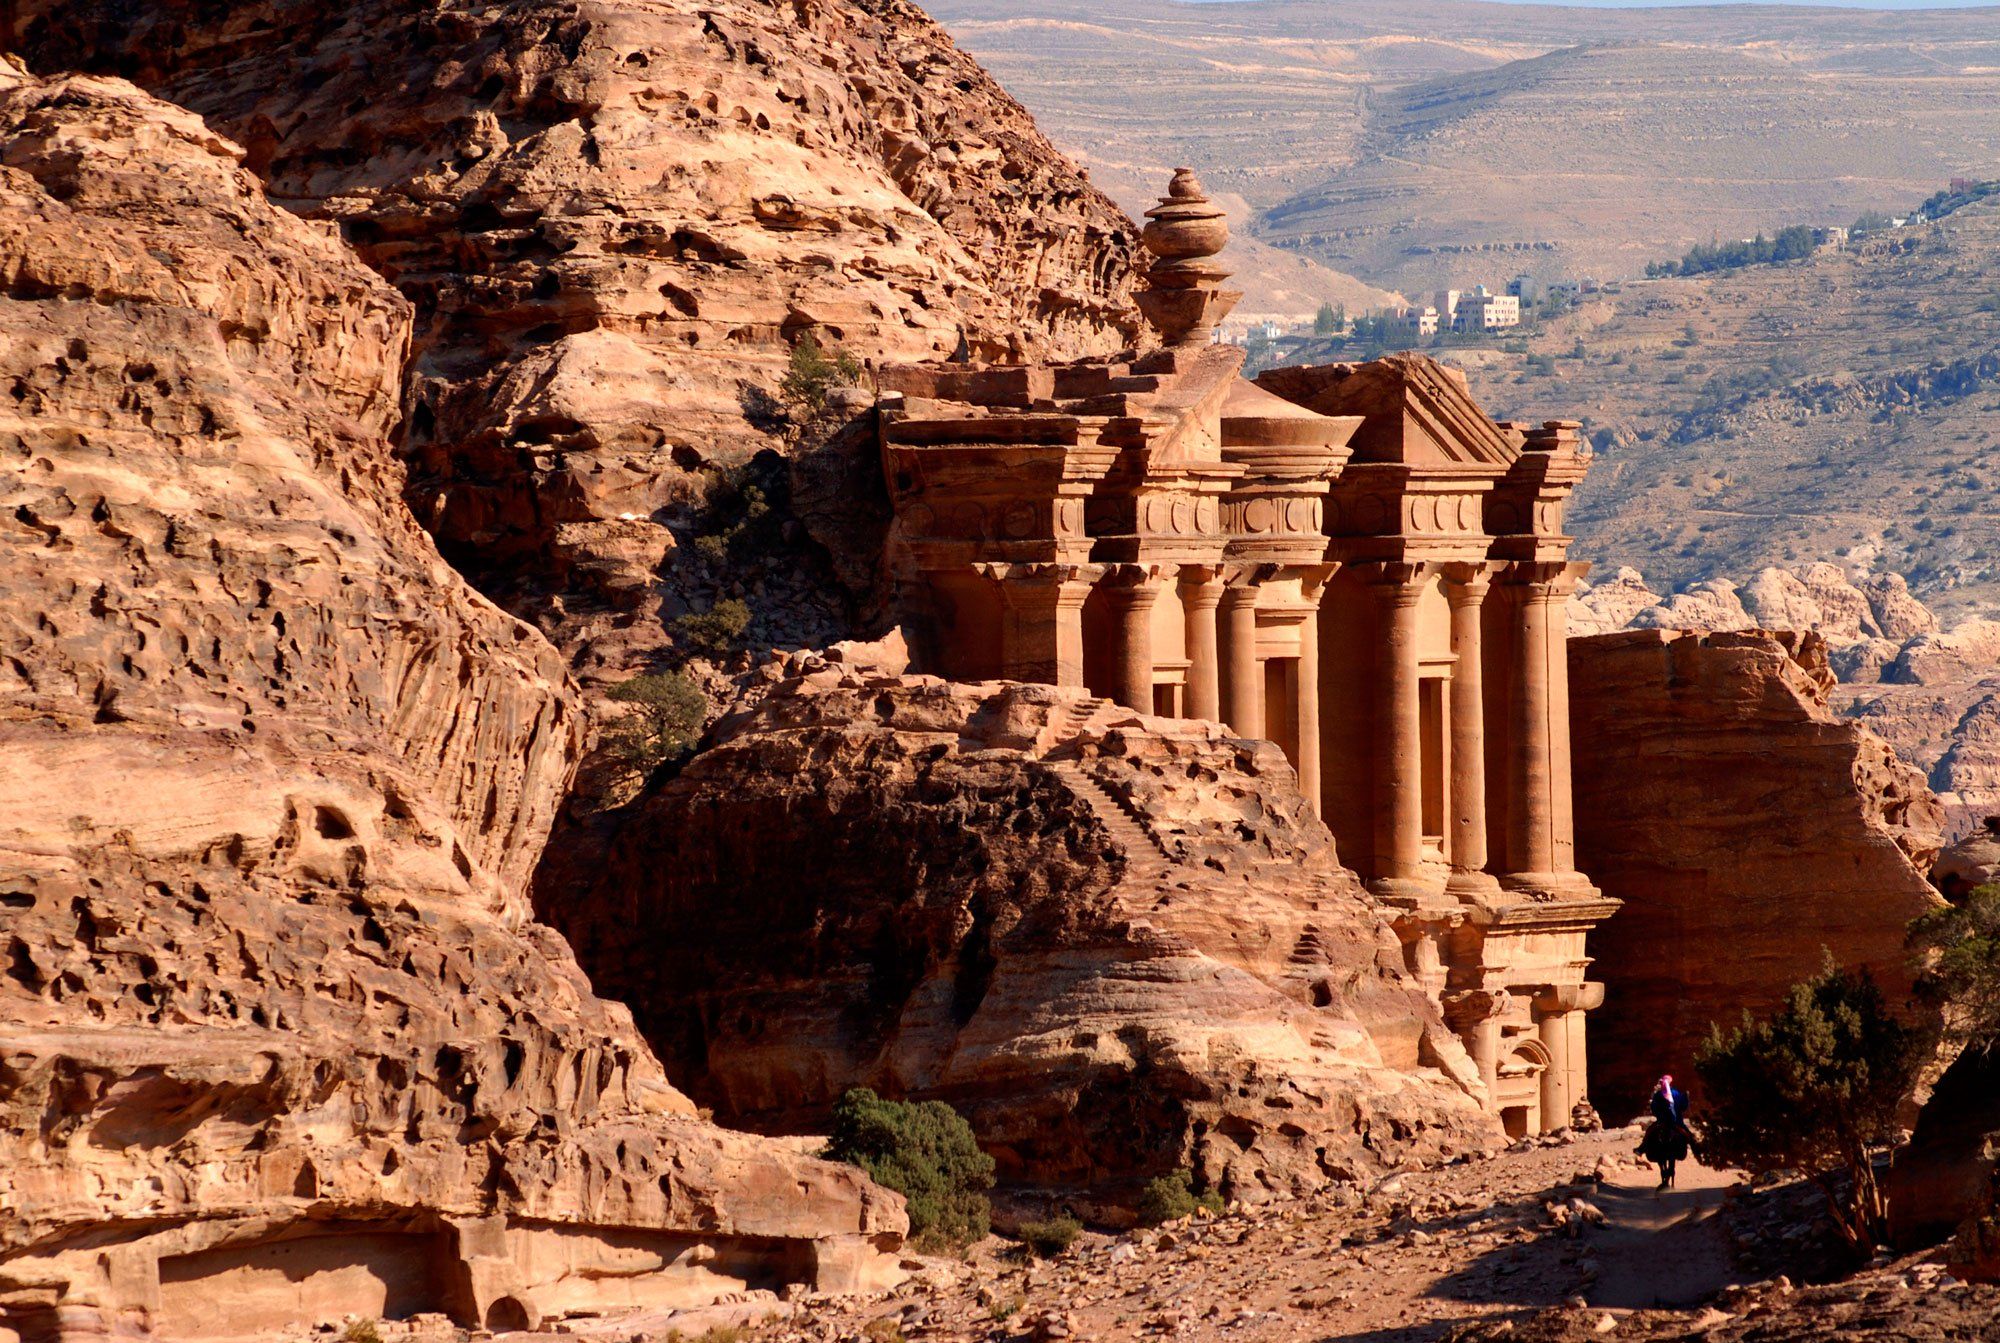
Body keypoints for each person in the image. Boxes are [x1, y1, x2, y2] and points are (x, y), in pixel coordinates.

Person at [1637, 1073, 1694, 1188]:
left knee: (1649, 1132)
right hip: (1677, 1122)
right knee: (1688, 1134)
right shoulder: (1677, 1093)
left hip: (1661, 1121)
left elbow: (1654, 1109)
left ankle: (1642, 1148)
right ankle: (1695, 1146)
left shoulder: (1658, 1094)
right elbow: (1683, 1107)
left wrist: (1660, 1114)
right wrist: (1685, 1099)